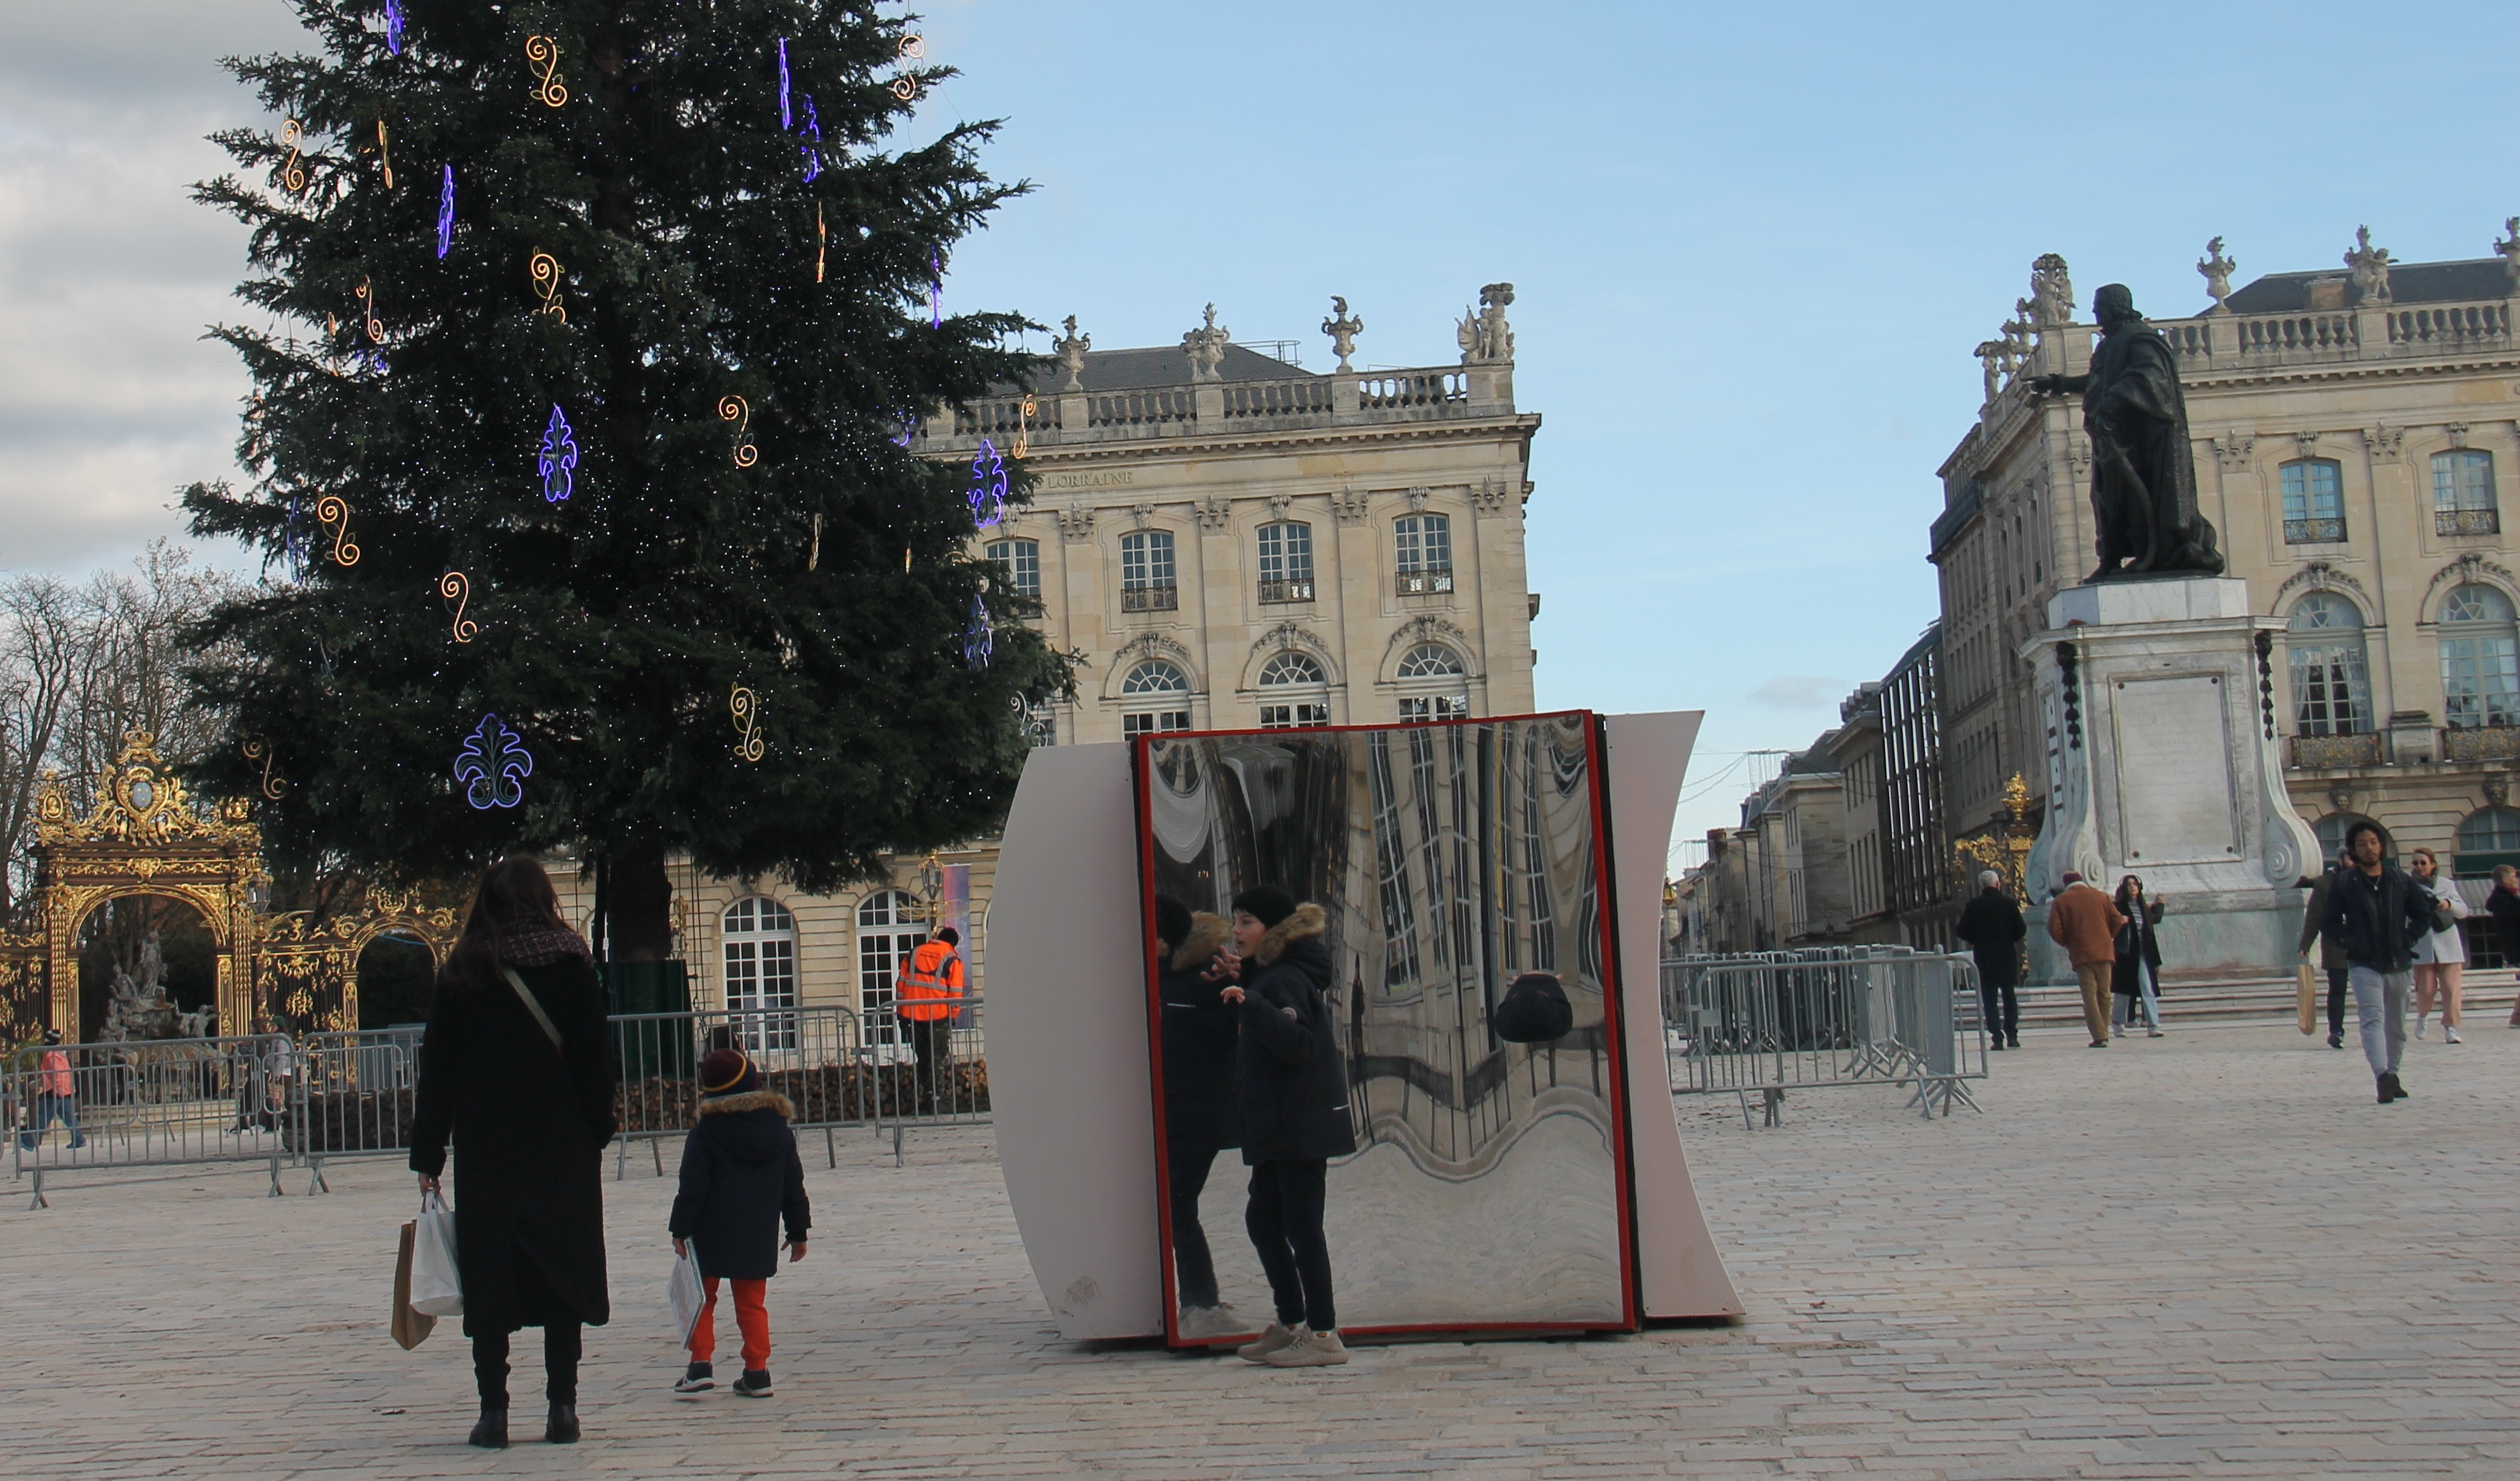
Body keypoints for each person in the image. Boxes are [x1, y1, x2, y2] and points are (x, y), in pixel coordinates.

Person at [410, 857, 619, 1450]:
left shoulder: (463, 971)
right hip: (561, 1145)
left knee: (491, 1275)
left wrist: (429, 1151)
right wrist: (596, 1128)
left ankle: (493, 1412)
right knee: (562, 1274)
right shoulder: (572, 962)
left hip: (489, 1145)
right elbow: (596, 1059)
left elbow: (439, 1071)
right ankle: (563, 1406)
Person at [1217, 885, 1355, 1369]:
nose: (1236, 931)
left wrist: (1251, 1003)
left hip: (1297, 1125)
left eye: (1247, 921)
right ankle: (1293, 1320)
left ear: (1272, 930)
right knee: (1263, 1220)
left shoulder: (1283, 980)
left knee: (1301, 1227)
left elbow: (1297, 1043)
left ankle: (1322, 1332)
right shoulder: (1267, 975)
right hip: (1276, 1125)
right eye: (1235, 921)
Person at [668, 1048, 810, 1399]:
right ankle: (757, 1371)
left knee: (704, 1298)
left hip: (710, 1231)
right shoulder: (778, 1131)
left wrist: (680, 1229)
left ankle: (700, 1365)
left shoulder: (705, 1133)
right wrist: (798, 1232)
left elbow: (692, 1186)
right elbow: (793, 1185)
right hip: (757, 1233)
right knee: (752, 1303)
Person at [1152, 894, 1242, 1338]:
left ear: (1165, 940)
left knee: (1178, 1206)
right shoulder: (1158, 981)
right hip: (1170, 1113)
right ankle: (1188, 1297)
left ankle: (1201, 1299)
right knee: (1173, 1207)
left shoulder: (1200, 981)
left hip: (1196, 1113)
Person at [2321, 820, 2434, 1104]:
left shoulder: (2400, 880)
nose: (2368, 848)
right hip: (2364, 962)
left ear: (2381, 845)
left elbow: (2423, 914)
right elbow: (2330, 922)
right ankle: (2382, 1075)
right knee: (2372, 1019)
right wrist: (2350, 941)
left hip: (2398, 961)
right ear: (2353, 850)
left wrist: (2407, 938)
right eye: (2362, 844)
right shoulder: (2345, 883)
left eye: (2373, 842)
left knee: (2396, 1025)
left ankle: (2393, 1073)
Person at [2046, 871, 2128, 1048]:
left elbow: (2054, 929)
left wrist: (2068, 942)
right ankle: (2104, 1030)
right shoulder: (2101, 896)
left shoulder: (2061, 901)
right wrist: (2108, 936)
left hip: (2081, 953)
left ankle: (2099, 1035)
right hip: (2105, 951)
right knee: (2105, 993)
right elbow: (2117, 920)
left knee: (2089, 994)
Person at [895, 926, 965, 1114]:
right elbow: (955, 993)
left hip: (912, 1014)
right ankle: (937, 1100)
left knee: (923, 1058)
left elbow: (901, 983)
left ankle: (926, 1097)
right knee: (937, 1059)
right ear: (953, 943)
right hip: (938, 1016)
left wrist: (901, 1011)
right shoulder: (951, 959)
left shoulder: (915, 952)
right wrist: (953, 1016)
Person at [1953, 871, 2026, 1049]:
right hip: (2006, 955)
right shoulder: (2009, 904)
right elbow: (2021, 929)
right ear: (1998, 884)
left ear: (1981, 886)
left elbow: (1961, 930)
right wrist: (2010, 939)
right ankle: (2012, 1035)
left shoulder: (1973, 906)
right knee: (2009, 996)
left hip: (1984, 956)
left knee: (1990, 998)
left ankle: (1996, 1037)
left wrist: (1976, 939)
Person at [2406, 847, 2469, 1044]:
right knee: (2426, 988)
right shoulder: (2408, 887)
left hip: (2447, 941)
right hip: (2423, 942)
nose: (2419, 867)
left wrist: (2448, 904)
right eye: (2415, 863)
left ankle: (2451, 1027)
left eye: (2423, 863)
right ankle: (2423, 1016)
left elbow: (2463, 911)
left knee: (2451, 988)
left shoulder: (2446, 885)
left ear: (2432, 864)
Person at [2299, 851, 2356, 1049]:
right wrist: (2305, 944)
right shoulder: (2325, 884)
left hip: (2366, 943)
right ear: (2340, 860)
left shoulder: (2369, 880)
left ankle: (2375, 1027)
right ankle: (2336, 1030)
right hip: (2336, 943)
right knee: (2337, 990)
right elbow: (2314, 915)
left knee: (2371, 989)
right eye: (2351, 858)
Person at [2111, 876, 2167, 1039]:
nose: (2132, 887)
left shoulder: (2143, 908)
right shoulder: (2118, 907)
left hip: (2143, 954)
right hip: (2126, 955)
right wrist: (2119, 922)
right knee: (2123, 991)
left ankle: (2153, 1024)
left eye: (2134, 884)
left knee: (2147, 988)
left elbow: (2152, 926)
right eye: (2129, 885)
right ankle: (2117, 1023)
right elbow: (2110, 923)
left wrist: (2160, 905)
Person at [18, 1028, 86, 1151]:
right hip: (64, 1091)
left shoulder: (51, 1055)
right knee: (69, 1117)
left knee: (43, 1117)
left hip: (54, 1091)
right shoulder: (61, 1054)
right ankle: (79, 1139)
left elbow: (56, 1074)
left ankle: (29, 1142)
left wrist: (57, 1088)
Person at [2489, 864, 2520, 1029]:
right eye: (2514, 876)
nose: (2516, 880)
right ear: (2505, 879)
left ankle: (2517, 1017)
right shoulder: (2503, 899)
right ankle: (2517, 1018)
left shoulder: (2509, 897)